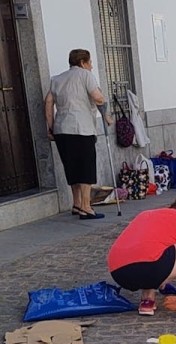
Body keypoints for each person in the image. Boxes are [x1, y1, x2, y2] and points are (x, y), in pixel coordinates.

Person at [107, 197, 176, 319]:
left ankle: (147, 300)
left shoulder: (146, 215)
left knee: (151, 249)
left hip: (118, 272)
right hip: (152, 266)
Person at [44, 48, 111, 219]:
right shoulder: (85, 75)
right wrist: (102, 99)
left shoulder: (57, 79)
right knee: (86, 168)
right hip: (81, 129)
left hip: (61, 130)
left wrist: (50, 127)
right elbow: (98, 98)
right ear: (82, 63)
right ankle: (86, 207)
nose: (92, 67)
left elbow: (49, 101)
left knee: (72, 167)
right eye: (90, 63)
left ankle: (76, 204)